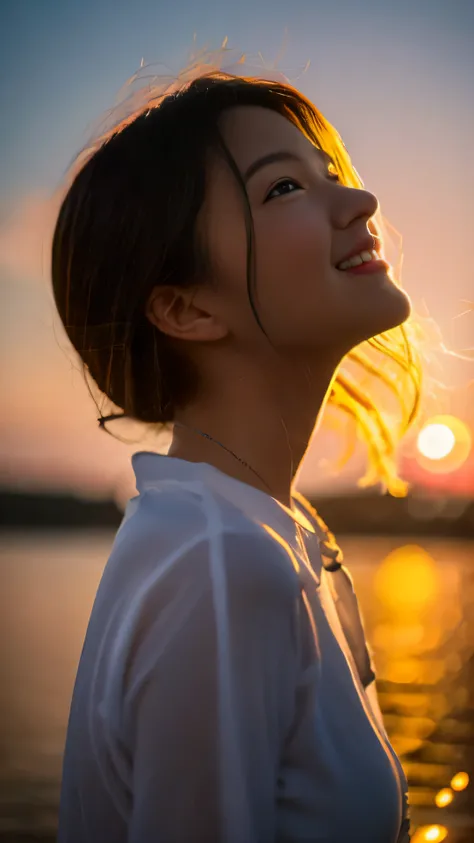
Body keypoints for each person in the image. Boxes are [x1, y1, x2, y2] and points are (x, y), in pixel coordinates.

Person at [52, 58, 418, 842]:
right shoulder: (219, 564)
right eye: (284, 188)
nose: (360, 200)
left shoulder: (264, 532)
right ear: (185, 308)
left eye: (328, 173)